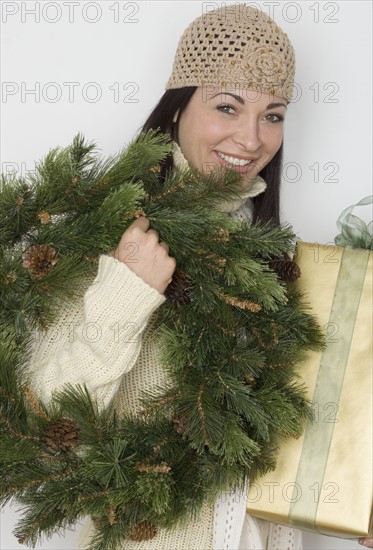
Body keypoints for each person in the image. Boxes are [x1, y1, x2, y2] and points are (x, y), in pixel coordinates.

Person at [27, 4, 373, 550]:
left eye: (273, 114)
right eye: (228, 107)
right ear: (176, 109)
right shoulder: (111, 235)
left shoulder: (274, 261)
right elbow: (41, 429)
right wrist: (125, 294)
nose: (253, 138)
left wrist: (356, 495)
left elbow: (286, 442)